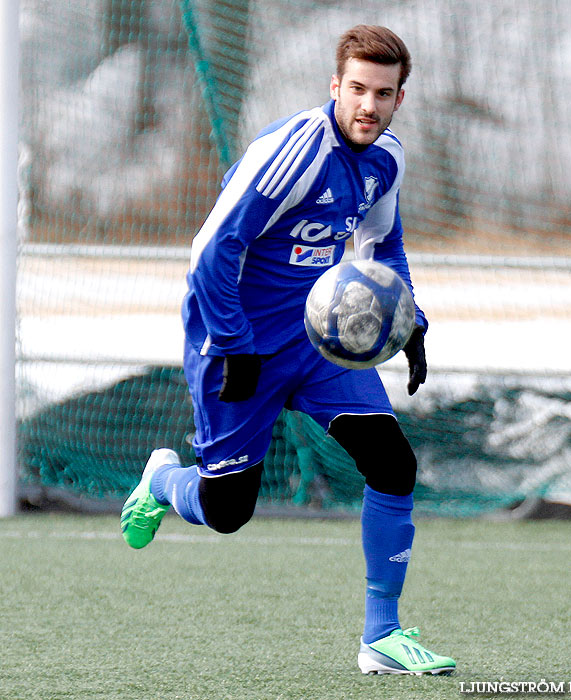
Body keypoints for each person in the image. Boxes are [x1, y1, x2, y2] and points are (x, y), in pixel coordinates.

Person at [120, 24, 455, 676]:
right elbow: (212, 251)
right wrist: (233, 344)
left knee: (391, 462)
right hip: (234, 342)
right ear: (335, 85)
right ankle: (161, 480)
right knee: (226, 511)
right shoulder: (292, 152)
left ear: (398, 99)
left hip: (316, 339)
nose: (367, 104)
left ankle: (380, 640)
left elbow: (382, 246)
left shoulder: (386, 156)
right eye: (356, 88)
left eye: (382, 93)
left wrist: (409, 320)